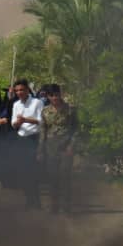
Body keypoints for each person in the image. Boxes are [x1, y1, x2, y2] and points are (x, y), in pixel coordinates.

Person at [37, 84, 78, 214]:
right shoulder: (45, 111)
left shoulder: (70, 110)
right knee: (52, 176)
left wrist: (72, 146)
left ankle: (66, 206)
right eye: (52, 95)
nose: (55, 97)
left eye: (57, 94)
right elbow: (42, 131)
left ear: (61, 94)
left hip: (66, 146)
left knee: (65, 176)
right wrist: (40, 150)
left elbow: (75, 129)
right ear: (48, 96)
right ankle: (54, 205)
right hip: (50, 147)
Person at [9, 78, 44, 209]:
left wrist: (25, 120)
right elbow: (13, 123)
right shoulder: (16, 105)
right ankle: (29, 200)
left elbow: (41, 121)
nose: (19, 92)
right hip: (21, 139)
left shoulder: (37, 102)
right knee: (23, 171)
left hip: (33, 138)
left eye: (22, 90)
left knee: (32, 170)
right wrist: (17, 123)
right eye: (17, 90)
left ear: (27, 89)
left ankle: (37, 200)